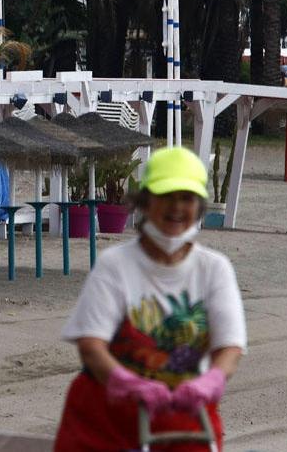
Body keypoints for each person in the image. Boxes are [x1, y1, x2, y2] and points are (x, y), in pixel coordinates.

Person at [54, 147, 246, 451]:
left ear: (199, 207)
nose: (176, 207)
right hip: (104, 420)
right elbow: (91, 345)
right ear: (145, 202)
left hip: (184, 416)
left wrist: (210, 381)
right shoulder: (114, 264)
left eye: (186, 198)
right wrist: (126, 383)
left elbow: (230, 347)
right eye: (166, 196)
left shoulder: (214, 268)